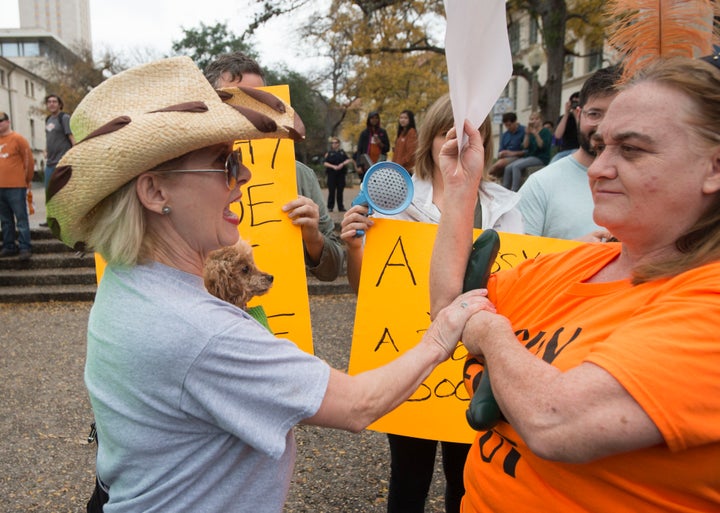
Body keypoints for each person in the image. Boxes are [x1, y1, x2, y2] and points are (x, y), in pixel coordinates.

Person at [45, 56, 492, 513]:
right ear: (155, 193)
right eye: (223, 164)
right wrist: (442, 332)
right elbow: (359, 405)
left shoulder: (127, 281)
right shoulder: (202, 332)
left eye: (236, 158)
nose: (244, 176)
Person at [429, 56, 720, 512]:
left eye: (632, 149)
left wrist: (489, 333)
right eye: (602, 146)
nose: (597, 168)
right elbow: (450, 309)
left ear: (714, 168)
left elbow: (555, 421)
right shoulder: (581, 262)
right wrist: (462, 187)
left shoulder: (708, 301)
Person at [342, 93, 523, 513]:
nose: (459, 143)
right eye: (449, 133)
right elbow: (368, 290)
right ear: (431, 138)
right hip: (410, 358)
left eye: (471, 135)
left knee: (468, 477)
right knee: (408, 475)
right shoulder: (396, 202)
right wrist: (354, 250)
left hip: (475, 366)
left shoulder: (505, 206)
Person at [204, 52, 343, 282]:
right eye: (236, 104)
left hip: (282, 311)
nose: (249, 115)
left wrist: (313, 238)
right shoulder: (191, 176)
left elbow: (332, 270)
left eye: (259, 103)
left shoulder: (298, 175)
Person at [518, 66, 621, 240]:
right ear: (578, 114)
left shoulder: (647, 185)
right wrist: (574, 253)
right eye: (595, 114)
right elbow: (514, 259)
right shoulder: (540, 185)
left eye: (616, 114)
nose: (603, 126)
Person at [0, 111, 34, 260]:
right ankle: (9, 245)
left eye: (1, 121)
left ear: (8, 122)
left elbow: (28, 162)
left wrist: (26, 180)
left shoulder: (18, 139)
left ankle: (25, 246)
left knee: (21, 218)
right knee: (5, 219)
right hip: (1, 187)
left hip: (16, 186)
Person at [42, 94, 75, 227]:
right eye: (49, 102)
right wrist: (45, 149)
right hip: (50, 162)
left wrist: (75, 155)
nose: (51, 104)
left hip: (61, 162)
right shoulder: (48, 119)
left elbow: (71, 137)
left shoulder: (64, 118)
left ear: (59, 104)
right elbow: (49, 138)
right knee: (49, 192)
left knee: (62, 193)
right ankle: (50, 220)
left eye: (54, 101)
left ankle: (66, 221)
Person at [501, 111, 552, 192]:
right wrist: (527, 134)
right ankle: (503, 191)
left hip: (540, 157)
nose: (534, 121)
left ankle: (515, 191)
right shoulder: (530, 132)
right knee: (508, 168)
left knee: (516, 166)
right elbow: (525, 146)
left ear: (540, 120)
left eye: (536, 119)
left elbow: (541, 145)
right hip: (529, 156)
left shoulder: (545, 131)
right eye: (532, 119)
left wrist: (535, 134)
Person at [487, 112, 525, 180]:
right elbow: (500, 150)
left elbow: (526, 150)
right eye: (506, 125)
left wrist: (511, 153)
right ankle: (489, 179)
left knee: (500, 164)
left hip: (518, 156)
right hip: (505, 158)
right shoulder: (505, 135)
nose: (508, 127)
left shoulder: (524, 131)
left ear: (515, 122)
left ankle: (485, 176)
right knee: (498, 166)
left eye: (509, 125)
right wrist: (501, 154)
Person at [355, 111, 390, 181]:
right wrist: (358, 165)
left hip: (379, 164)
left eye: (376, 118)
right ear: (369, 120)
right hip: (366, 165)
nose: (374, 120)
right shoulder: (364, 133)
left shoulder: (382, 132)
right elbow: (359, 150)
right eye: (372, 118)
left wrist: (380, 143)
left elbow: (387, 148)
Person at [322, 137, 351, 211]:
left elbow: (348, 160)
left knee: (340, 191)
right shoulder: (329, 153)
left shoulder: (342, 152)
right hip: (331, 175)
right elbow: (325, 163)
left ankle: (340, 207)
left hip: (341, 175)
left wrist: (342, 164)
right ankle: (330, 207)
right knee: (331, 191)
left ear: (338, 144)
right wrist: (333, 166)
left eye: (335, 143)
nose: (334, 144)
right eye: (332, 143)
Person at [550, 91, 580, 162]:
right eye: (573, 102)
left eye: (578, 103)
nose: (575, 105)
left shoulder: (585, 117)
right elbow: (557, 136)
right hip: (564, 151)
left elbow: (582, 132)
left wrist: (577, 115)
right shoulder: (563, 118)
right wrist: (566, 113)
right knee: (553, 164)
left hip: (578, 149)